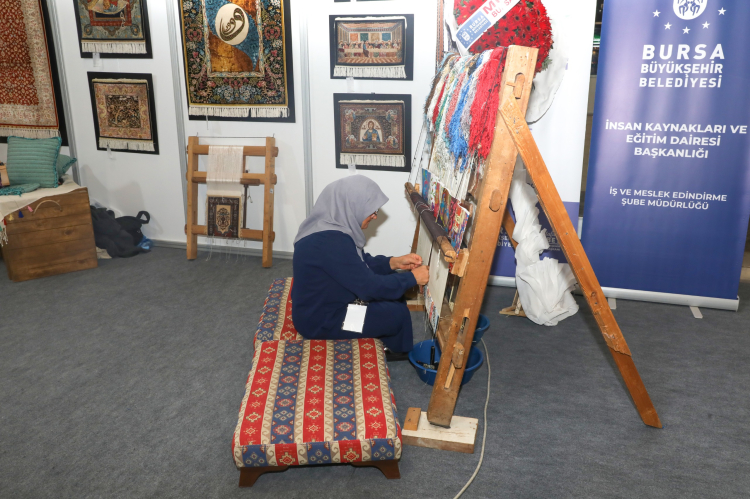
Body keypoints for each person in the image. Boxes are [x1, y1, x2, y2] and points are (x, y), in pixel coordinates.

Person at [292, 176, 429, 355]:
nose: (375, 216)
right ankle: (393, 353)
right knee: (396, 314)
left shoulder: (328, 227)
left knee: (393, 292)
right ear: (351, 206)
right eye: (371, 211)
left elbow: (360, 262)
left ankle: (385, 344)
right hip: (322, 321)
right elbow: (370, 288)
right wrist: (412, 278)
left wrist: (393, 262)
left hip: (324, 305)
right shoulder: (331, 242)